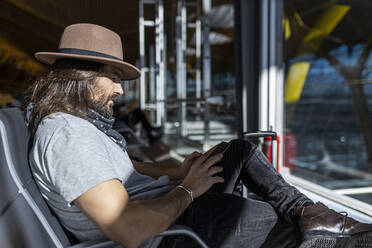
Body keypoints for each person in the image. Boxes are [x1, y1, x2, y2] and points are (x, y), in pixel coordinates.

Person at [25, 23, 372, 248]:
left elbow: (119, 166)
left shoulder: (77, 123)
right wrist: (188, 189)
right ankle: (314, 225)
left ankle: (308, 213)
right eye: (113, 76)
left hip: (168, 203)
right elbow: (128, 228)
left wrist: (176, 173)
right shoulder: (68, 135)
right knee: (263, 216)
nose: (120, 88)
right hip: (164, 230)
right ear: (81, 76)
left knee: (240, 150)